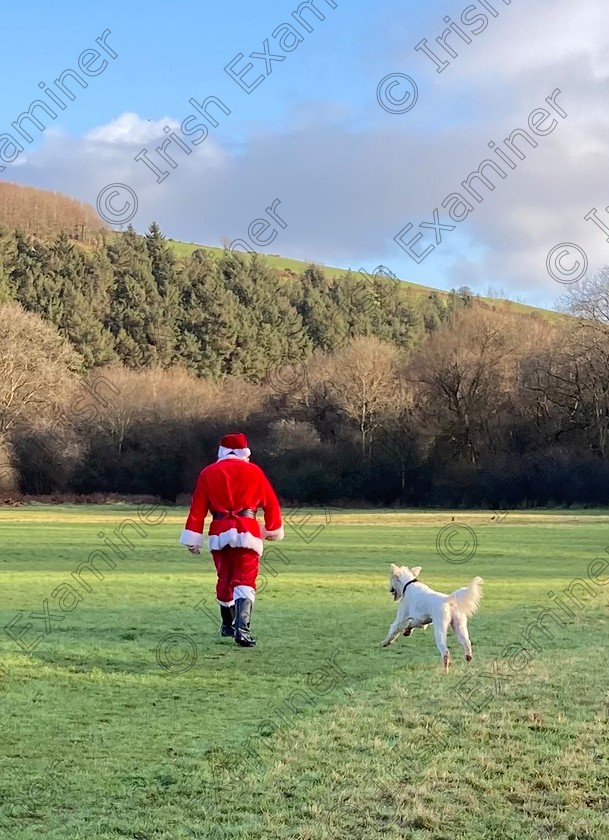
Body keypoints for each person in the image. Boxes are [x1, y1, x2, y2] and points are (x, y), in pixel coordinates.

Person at [179, 433, 284, 647]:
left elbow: (197, 509)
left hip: (219, 531)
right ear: (245, 452)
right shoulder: (255, 472)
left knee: (224, 577)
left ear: (222, 451)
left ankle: (227, 624)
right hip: (248, 531)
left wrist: (193, 538)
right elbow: (271, 503)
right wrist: (272, 529)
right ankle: (242, 630)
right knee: (245, 578)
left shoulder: (208, 473)